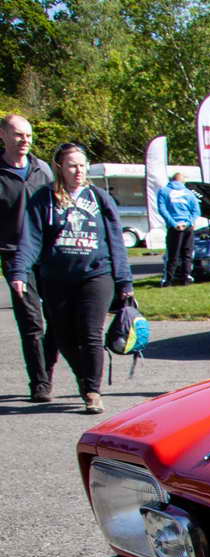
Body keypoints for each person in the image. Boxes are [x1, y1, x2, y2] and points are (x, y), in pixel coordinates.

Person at [7, 142, 132, 414]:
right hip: (57, 278)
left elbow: (116, 241)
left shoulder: (99, 198)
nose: (78, 171)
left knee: (90, 334)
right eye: (72, 166)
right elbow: (30, 239)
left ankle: (92, 391)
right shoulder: (44, 198)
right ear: (60, 168)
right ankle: (85, 378)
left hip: (96, 274)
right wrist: (19, 271)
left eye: (82, 165)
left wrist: (124, 281)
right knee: (63, 338)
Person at [0, 113, 57, 402]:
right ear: (3, 136)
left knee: (57, 318)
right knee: (32, 322)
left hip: (48, 255)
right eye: (19, 135)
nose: (25, 141)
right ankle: (40, 382)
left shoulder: (42, 169)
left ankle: (47, 369)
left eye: (29, 136)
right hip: (14, 256)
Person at [156, 169, 200, 286]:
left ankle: (168, 280)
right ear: (183, 181)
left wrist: (173, 223)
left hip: (174, 227)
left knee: (172, 255)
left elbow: (162, 209)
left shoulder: (164, 191)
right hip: (187, 226)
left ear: (171, 180)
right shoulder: (189, 193)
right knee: (187, 254)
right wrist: (189, 222)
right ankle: (186, 278)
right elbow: (196, 211)